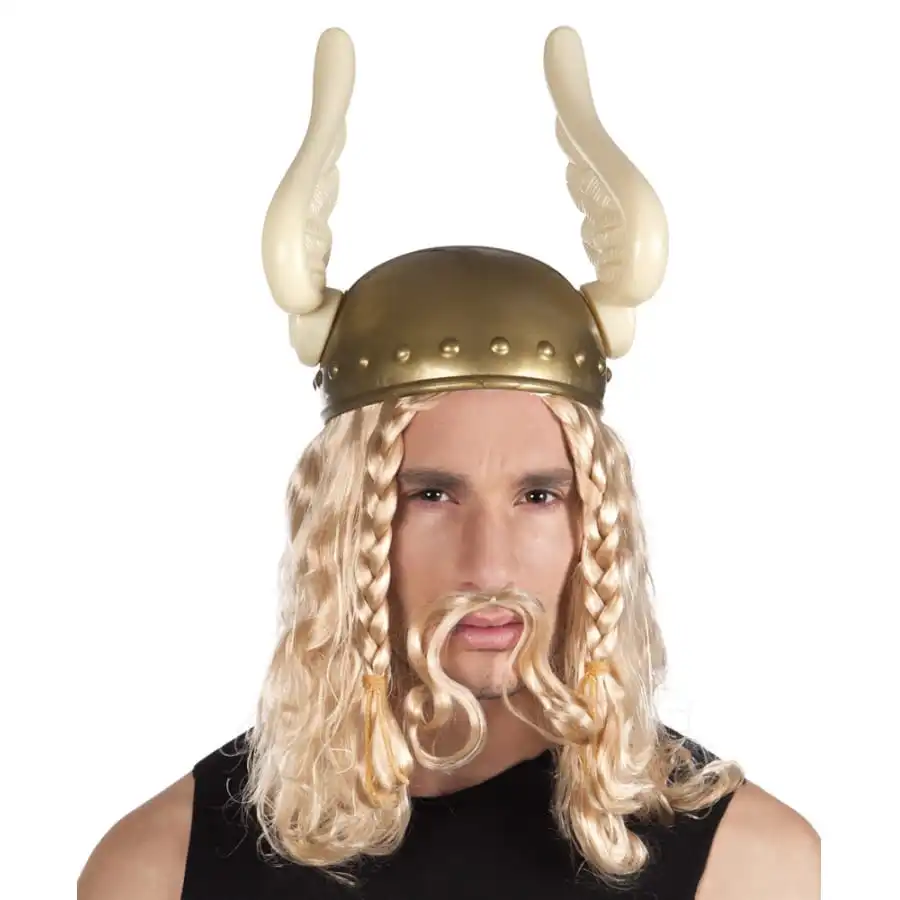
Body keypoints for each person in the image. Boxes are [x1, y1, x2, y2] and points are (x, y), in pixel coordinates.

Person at [77, 26, 820, 900]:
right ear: (345, 520)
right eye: (432, 495)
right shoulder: (158, 869)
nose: (489, 563)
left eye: (539, 496)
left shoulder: (748, 864)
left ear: (597, 522)